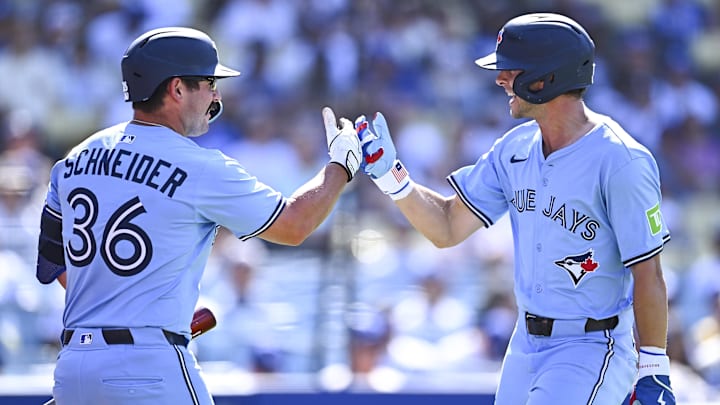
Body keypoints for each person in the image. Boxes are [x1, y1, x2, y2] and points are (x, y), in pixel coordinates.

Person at [355, 13, 675, 405]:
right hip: (523, 345)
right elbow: (447, 227)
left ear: (545, 77)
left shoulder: (621, 160)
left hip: (591, 343)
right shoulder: (514, 148)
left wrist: (654, 367)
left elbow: (649, 272)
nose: (500, 79)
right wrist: (393, 177)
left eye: (510, 69)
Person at [35, 26, 361, 405]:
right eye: (209, 83)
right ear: (177, 88)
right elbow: (294, 225)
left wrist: (116, 314)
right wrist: (340, 167)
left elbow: (54, 264)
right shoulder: (200, 166)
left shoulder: (74, 159)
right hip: (149, 367)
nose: (216, 95)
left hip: (74, 368)